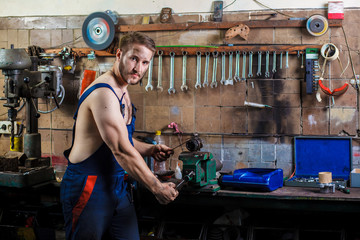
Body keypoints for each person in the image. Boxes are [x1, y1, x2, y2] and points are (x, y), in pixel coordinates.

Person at [60, 32, 179, 240]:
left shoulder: (122, 88)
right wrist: (156, 187)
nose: (138, 68)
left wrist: (149, 149)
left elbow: (121, 138)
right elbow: (121, 149)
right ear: (119, 54)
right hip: (88, 186)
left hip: (117, 186)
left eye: (145, 62)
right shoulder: (104, 93)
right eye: (134, 59)